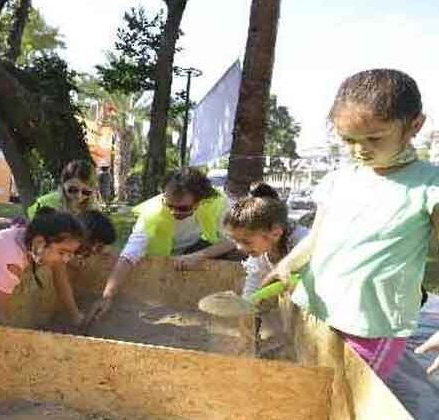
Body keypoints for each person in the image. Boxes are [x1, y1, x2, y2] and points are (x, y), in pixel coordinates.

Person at [262, 69, 439, 380]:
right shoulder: (340, 179)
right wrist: (288, 263)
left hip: (371, 327)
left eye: (374, 138)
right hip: (314, 308)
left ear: (415, 126)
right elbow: (317, 238)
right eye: (348, 140)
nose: (360, 149)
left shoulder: (429, 186)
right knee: (307, 387)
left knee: (344, 399)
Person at [84, 167, 236, 326]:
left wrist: (201, 255)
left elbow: (236, 240)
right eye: (169, 205)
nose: (173, 212)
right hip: (164, 256)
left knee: (238, 254)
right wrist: (107, 296)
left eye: (182, 208)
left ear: (199, 201)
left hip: (196, 248)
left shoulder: (219, 204)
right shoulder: (152, 213)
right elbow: (128, 256)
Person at [223, 183, 309, 298]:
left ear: (275, 233)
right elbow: (254, 281)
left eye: (246, 242)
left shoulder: (304, 242)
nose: (239, 247)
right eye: (235, 241)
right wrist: (246, 306)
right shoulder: (262, 251)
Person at [27, 160, 98, 218]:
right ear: (63, 184)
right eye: (73, 190)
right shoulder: (43, 204)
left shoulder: (93, 211)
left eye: (86, 192)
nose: (79, 196)